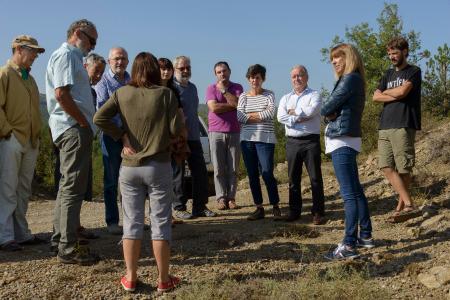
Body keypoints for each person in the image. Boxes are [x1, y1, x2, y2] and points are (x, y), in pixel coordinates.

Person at [94, 52, 182, 293]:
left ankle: (131, 277)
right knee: (160, 222)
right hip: (159, 165)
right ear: (155, 70)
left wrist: (121, 135)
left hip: (130, 166)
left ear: (134, 70)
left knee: (131, 223)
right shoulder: (166, 94)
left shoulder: (121, 93)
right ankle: (164, 279)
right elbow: (176, 129)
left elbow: (99, 117)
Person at [46, 19, 99, 265]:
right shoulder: (66, 55)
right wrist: (83, 122)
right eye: (91, 40)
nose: (93, 45)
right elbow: (61, 94)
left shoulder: (72, 57)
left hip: (71, 128)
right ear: (78, 33)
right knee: (72, 187)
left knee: (68, 186)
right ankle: (67, 247)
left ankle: (60, 239)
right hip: (72, 129)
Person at [321, 44, 374, 260]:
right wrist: (331, 114)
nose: (333, 61)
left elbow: (325, 109)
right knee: (356, 190)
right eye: (332, 58)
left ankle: (349, 244)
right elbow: (331, 110)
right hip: (347, 139)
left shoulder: (349, 79)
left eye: (338, 57)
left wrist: (330, 114)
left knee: (349, 194)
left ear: (349, 57)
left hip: (342, 139)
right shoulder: (354, 79)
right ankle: (366, 235)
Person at [0, 35, 46, 251]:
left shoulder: (30, 78)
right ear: (18, 49)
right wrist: (7, 132)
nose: (36, 56)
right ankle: (4, 236)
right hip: (11, 139)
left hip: (30, 140)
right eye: (33, 51)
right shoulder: (4, 73)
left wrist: (36, 135)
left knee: (23, 189)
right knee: (7, 188)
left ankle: (21, 233)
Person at [372, 37, 421, 220]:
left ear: (405, 51)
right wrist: (393, 94)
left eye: (395, 53)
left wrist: (387, 93)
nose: (392, 57)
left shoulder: (413, 71)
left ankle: (403, 207)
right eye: (390, 53)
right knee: (385, 166)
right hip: (385, 124)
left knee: (403, 168)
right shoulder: (387, 74)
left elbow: (403, 92)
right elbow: (375, 97)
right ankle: (408, 204)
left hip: (404, 123)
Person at [277, 65, 325, 224]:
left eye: (300, 75)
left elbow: (311, 112)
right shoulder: (285, 98)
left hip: (310, 141)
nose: (297, 79)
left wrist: (292, 113)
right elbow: (280, 117)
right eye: (294, 76)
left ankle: (318, 212)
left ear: (307, 77)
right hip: (292, 142)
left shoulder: (315, 95)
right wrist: (299, 115)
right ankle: (294, 211)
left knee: (315, 178)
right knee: (293, 178)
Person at [171, 56, 216, 219]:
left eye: (187, 68)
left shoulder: (193, 88)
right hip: (178, 138)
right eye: (181, 68)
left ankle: (199, 206)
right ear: (175, 69)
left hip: (195, 137)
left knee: (200, 173)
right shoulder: (171, 88)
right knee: (178, 174)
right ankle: (179, 207)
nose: (185, 71)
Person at [237, 64, 281, 221]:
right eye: (252, 77)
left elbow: (270, 114)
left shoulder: (269, 94)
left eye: (257, 77)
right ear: (248, 79)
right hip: (247, 141)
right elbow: (239, 117)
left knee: (267, 172)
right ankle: (259, 208)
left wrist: (249, 115)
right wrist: (257, 115)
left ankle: (275, 205)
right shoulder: (243, 96)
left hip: (265, 139)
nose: (254, 80)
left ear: (263, 79)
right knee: (252, 175)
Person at [95, 47, 130, 235]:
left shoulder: (132, 81)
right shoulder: (103, 83)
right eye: (116, 58)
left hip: (131, 139)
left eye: (123, 58)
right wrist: (120, 134)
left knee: (130, 180)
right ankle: (112, 221)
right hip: (111, 137)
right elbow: (101, 115)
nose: (120, 62)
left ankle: (130, 220)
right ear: (109, 61)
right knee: (111, 181)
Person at [206, 61, 243, 210]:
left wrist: (223, 92)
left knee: (233, 168)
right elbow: (213, 108)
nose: (222, 74)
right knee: (219, 168)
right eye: (219, 72)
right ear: (215, 74)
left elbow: (238, 104)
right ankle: (221, 198)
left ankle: (231, 198)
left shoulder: (237, 87)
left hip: (234, 131)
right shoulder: (210, 88)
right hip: (216, 132)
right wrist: (231, 104)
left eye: (224, 71)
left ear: (229, 71)